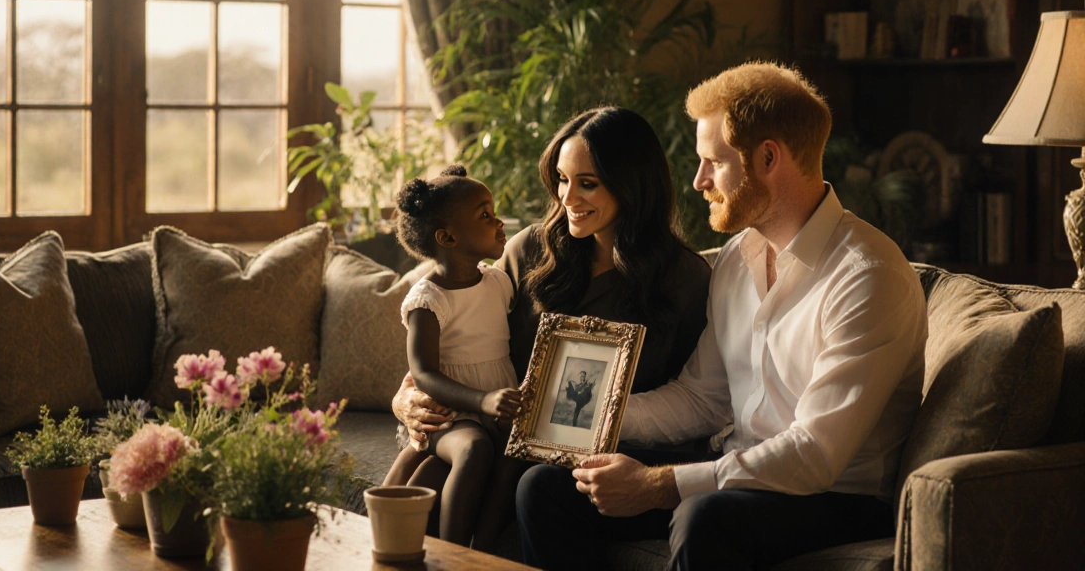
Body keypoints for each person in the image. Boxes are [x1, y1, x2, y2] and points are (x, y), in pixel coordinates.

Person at [516, 62, 928, 570]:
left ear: (768, 157)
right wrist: (576, 417)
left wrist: (660, 485)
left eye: (713, 161)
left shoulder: (867, 275)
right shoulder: (737, 257)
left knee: (701, 517)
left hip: (839, 497)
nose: (698, 181)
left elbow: (815, 455)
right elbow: (703, 399)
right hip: (734, 473)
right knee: (549, 487)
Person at [390, 107, 713, 546]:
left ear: (633, 185)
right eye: (561, 179)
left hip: (597, 457)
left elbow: (695, 400)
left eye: (588, 184)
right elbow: (455, 335)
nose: (567, 198)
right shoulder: (529, 250)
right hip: (498, 435)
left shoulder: (685, 279)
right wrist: (406, 397)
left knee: (527, 482)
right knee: (432, 473)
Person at [380, 164, 525, 548]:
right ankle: (454, 552)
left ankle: (487, 548)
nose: (498, 222)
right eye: (485, 215)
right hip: (450, 416)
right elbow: (424, 374)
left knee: (517, 449)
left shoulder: (498, 281)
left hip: (499, 407)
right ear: (447, 236)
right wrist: (483, 400)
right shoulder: (428, 300)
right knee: (475, 448)